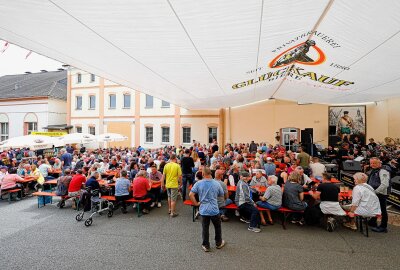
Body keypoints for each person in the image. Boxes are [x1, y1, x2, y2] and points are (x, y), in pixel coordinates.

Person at [189, 167, 225, 252]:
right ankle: (218, 243)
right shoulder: (217, 184)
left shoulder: (198, 183)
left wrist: (196, 203)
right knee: (217, 227)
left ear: (203, 174)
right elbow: (221, 195)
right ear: (211, 174)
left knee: (205, 227)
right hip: (214, 209)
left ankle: (206, 245)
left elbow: (191, 194)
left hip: (204, 209)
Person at [367, 157, 390, 233]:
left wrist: (375, 192)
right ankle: (372, 221)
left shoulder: (383, 171)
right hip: (376, 193)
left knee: (383, 210)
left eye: (374, 163)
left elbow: (385, 184)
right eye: (371, 163)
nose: (372, 165)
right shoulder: (375, 170)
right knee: (376, 207)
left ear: (379, 163)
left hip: (381, 194)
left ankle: (383, 227)